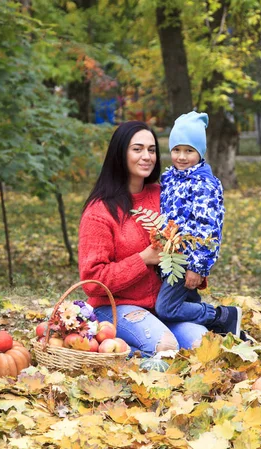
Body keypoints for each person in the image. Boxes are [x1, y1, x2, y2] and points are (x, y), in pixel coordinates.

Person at [78, 120, 208, 356]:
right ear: (120, 153)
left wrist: (196, 269)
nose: (147, 156)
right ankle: (100, 350)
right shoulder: (99, 212)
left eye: (151, 149)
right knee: (166, 348)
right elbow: (91, 280)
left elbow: (188, 238)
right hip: (116, 307)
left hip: (164, 307)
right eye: (137, 149)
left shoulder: (163, 194)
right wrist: (144, 259)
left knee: (204, 345)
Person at [154, 111, 242, 336]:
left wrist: (198, 267)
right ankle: (227, 332)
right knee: (186, 302)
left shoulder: (204, 184)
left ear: (200, 153)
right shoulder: (170, 178)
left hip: (187, 258)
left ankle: (222, 316)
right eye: (176, 150)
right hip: (170, 256)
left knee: (166, 308)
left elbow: (208, 228)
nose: (181, 157)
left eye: (189, 151)